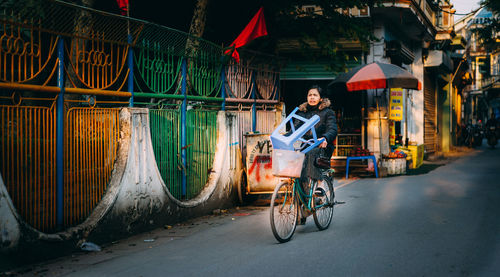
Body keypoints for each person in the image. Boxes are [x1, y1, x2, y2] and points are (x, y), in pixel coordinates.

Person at [292, 85, 338, 224]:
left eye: (315, 95)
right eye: (310, 95)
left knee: (311, 155)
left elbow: (332, 129)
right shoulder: (301, 112)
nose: (312, 97)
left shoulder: (327, 112)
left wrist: (325, 138)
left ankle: (318, 189)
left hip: (322, 147)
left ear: (321, 98)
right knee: (295, 171)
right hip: (305, 146)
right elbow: (294, 130)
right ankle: (302, 205)